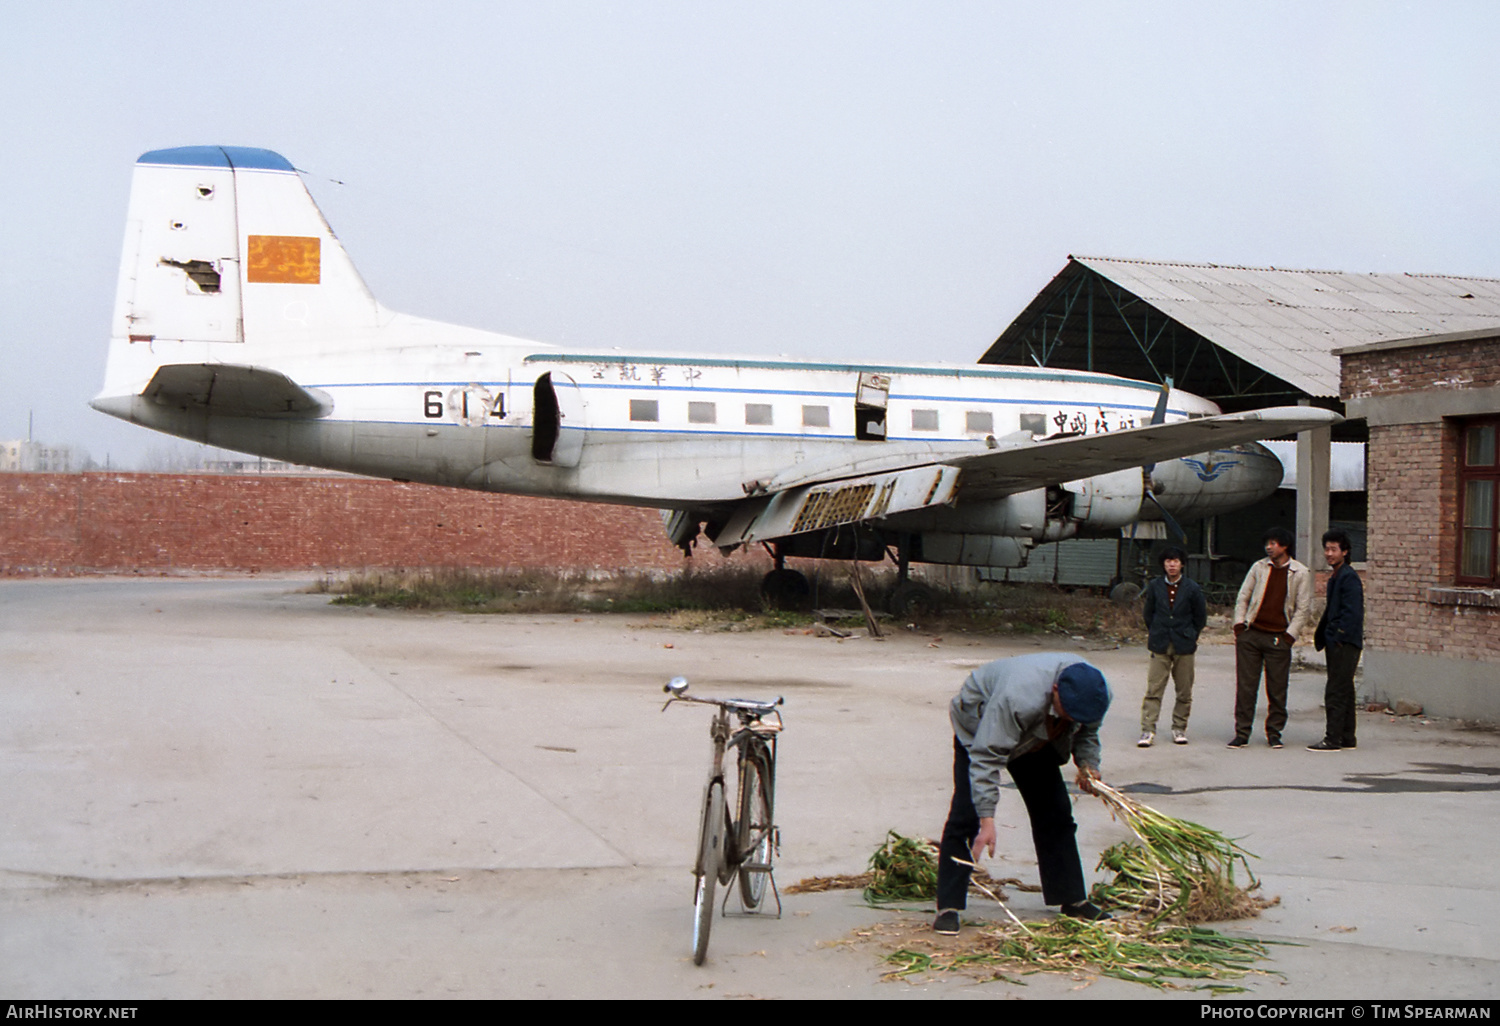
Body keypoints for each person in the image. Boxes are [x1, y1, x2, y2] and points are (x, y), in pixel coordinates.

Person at [933, 653, 1112, 935]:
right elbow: (986, 757)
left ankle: (1072, 898)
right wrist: (987, 820)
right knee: (966, 815)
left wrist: (1089, 766)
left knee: (1055, 813)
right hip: (981, 725)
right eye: (1068, 712)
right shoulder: (1018, 698)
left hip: (1037, 736)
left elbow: (1086, 733)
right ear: (1055, 690)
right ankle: (949, 906)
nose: (1073, 718)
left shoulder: (1095, 693)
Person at [1229, 527, 1314, 749]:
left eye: (1274, 543)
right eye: (1267, 543)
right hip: (1252, 634)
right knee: (1246, 686)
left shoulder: (1300, 572)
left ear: (1285, 546)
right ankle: (1242, 732)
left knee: (1277, 688)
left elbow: (1303, 609)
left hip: (1279, 637)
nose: (1269, 547)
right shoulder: (1258, 567)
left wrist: (1290, 636)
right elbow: (1243, 597)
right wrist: (1239, 625)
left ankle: (1274, 732)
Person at [1138, 545, 1208, 747]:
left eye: (1176, 561)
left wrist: (1191, 634)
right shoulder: (1155, 586)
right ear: (1163, 564)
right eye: (1168, 561)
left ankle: (1179, 728)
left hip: (1184, 644)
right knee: (1154, 689)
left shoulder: (1192, 588)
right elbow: (1148, 614)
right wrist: (1156, 630)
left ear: (1182, 564)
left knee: (1184, 691)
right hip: (1160, 643)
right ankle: (1147, 730)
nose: (1172, 564)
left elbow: (1200, 617)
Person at [1309, 529, 1364, 751]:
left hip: (1345, 643)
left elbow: (1352, 613)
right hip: (1338, 642)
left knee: (1335, 690)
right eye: (1327, 549)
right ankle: (1347, 737)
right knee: (1345, 690)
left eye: (1334, 549)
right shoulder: (1336, 576)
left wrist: (1338, 637)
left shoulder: (1348, 577)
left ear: (1345, 551)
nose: (1329, 553)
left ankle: (1332, 739)